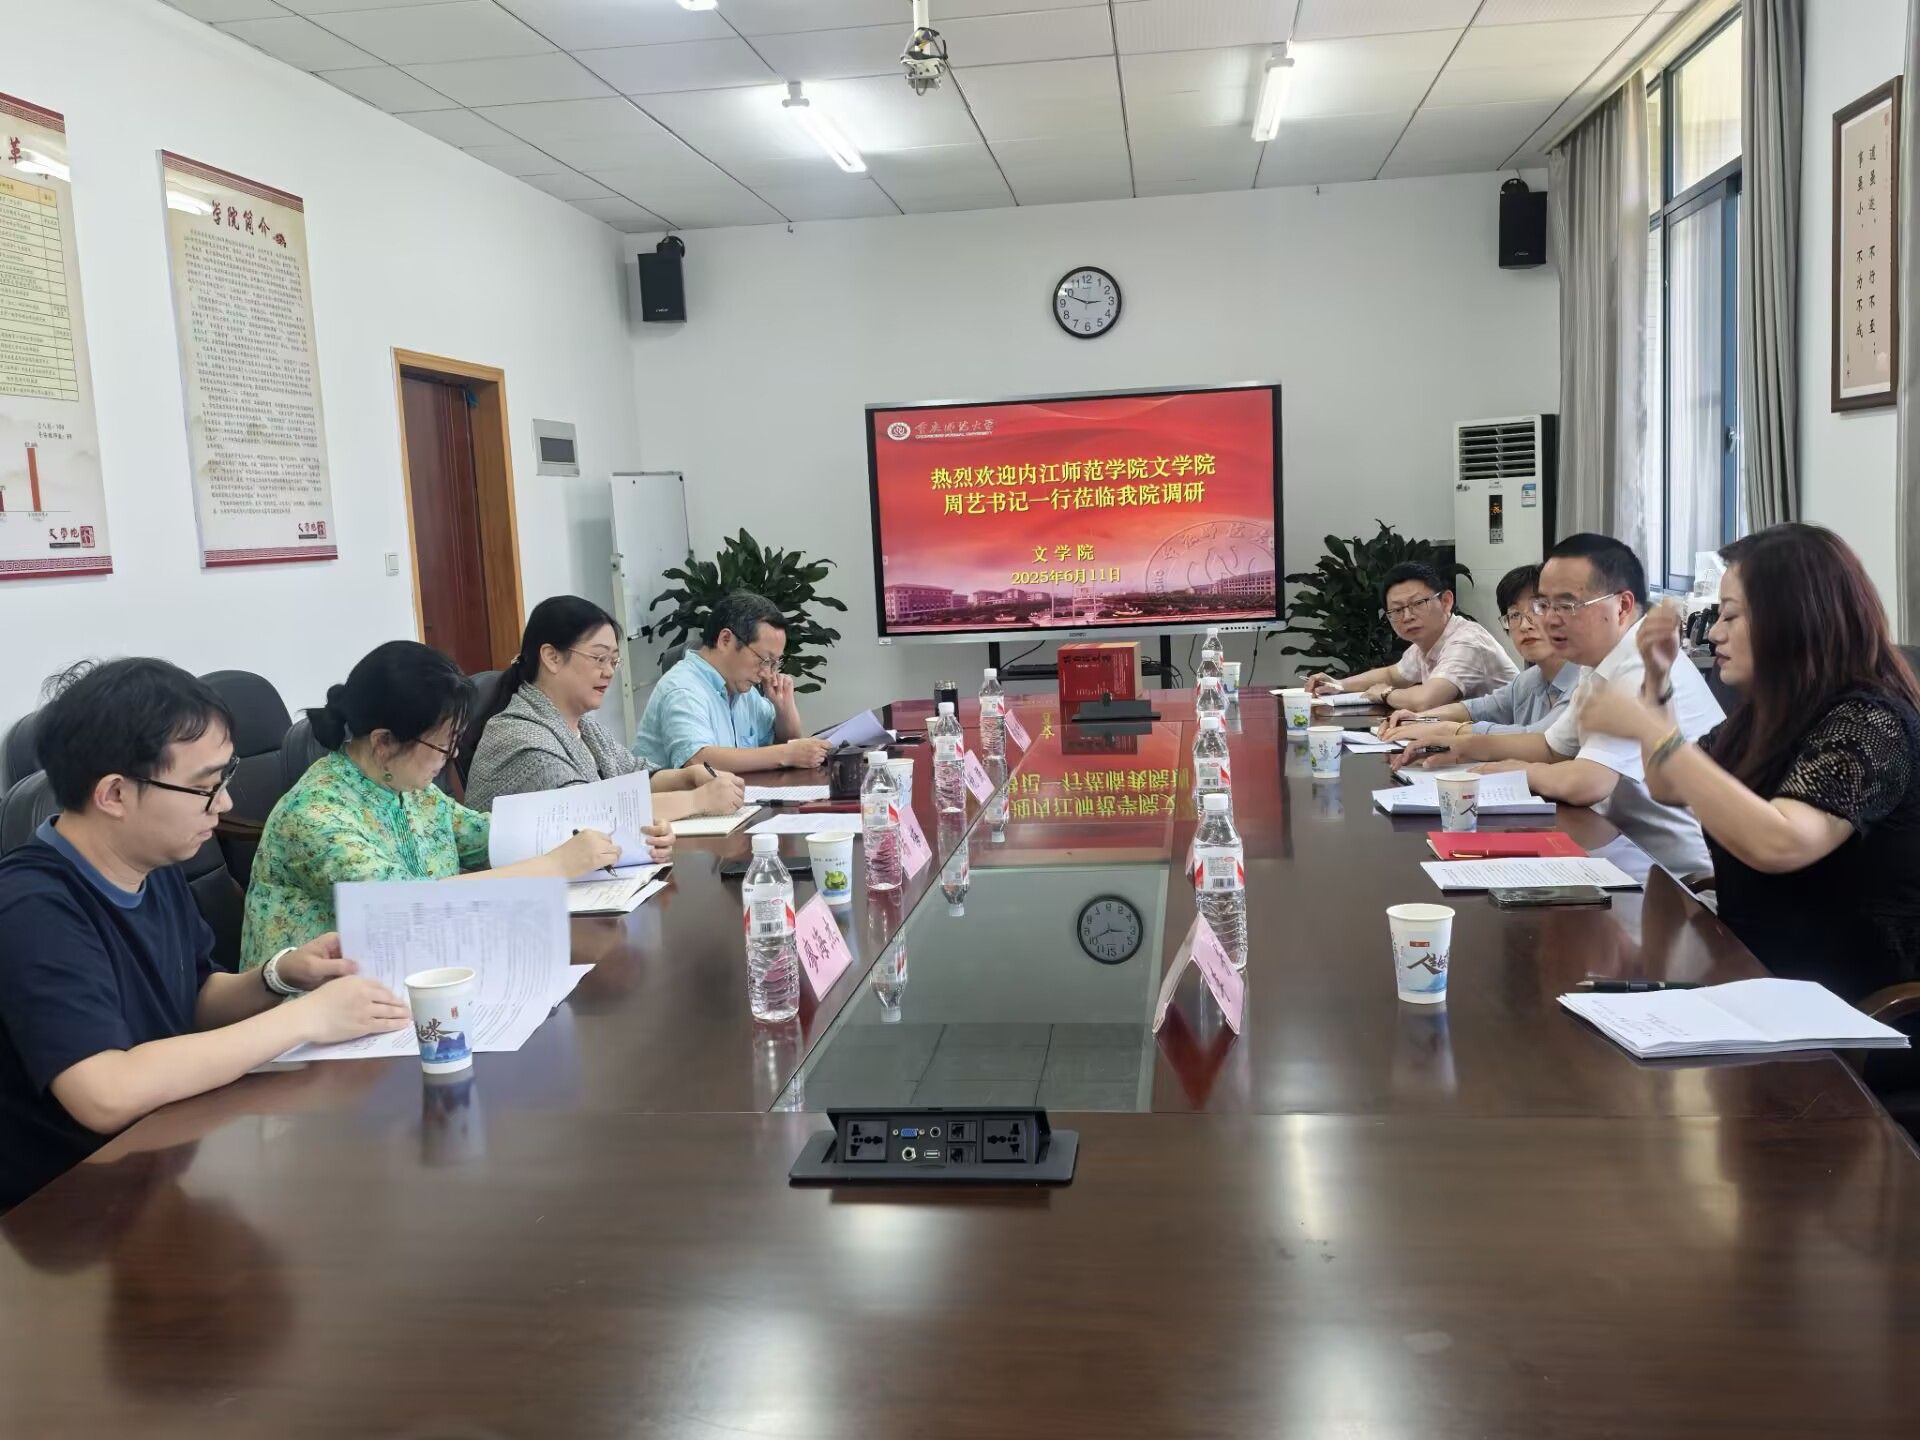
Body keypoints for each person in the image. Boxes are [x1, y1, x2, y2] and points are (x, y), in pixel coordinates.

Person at [0, 659, 411, 1212]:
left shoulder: (151, 863)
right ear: (115, 795)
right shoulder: (32, 907)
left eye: (224, 779)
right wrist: (307, 1018)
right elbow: (104, 1092)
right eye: (204, 787)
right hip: (67, 1211)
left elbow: (193, 999)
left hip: (162, 1166)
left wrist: (280, 976)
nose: (225, 803)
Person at [1579, 524, 1920, 1002]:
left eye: (1731, 616)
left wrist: (1650, 729)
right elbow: (1667, 784)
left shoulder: (1869, 721)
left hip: (1849, 1004)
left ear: (1795, 619)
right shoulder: (1762, 717)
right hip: (1754, 976)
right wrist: (1657, 679)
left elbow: (1781, 843)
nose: (1715, 632)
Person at [241, 641, 666, 971]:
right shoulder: (315, 816)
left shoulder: (405, 786)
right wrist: (556, 865)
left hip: (414, 978)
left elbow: (488, 836)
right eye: (442, 745)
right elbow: (411, 906)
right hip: (317, 1019)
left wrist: (622, 838)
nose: (450, 757)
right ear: (384, 742)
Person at [1394, 533, 1724, 877]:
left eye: (1567, 605)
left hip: (1679, 878)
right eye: (1544, 604)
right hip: (1624, 848)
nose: (1549, 619)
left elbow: (1586, 783)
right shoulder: (1597, 661)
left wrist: (1513, 771)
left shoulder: (1640, 664)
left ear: (1622, 606)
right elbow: (1552, 747)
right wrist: (1461, 746)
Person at [463, 595, 748, 817]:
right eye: (599, 658)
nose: (610, 672)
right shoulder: (518, 736)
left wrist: (687, 777)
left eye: (613, 661)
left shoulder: (585, 728)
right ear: (551, 657)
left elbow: (635, 776)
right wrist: (697, 800)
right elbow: (590, 813)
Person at [633, 591, 833, 774]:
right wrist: (786, 754)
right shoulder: (683, 688)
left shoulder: (742, 689)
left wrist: (784, 709)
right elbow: (698, 761)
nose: (766, 673)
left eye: (774, 663)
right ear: (725, 640)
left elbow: (783, 744)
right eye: (764, 659)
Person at [1379, 564, 1580, 742]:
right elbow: (1477, 709)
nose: (1524, 625)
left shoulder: (1586, 681)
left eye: (1539, 608)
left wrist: (1453, 730)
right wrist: (1420, 719)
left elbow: (1541, 739)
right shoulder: (1529, 680)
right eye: (1514, 615)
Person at [1305, 561, 1516, 709]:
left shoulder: (1466, 641)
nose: (1407, 616)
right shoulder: (1426, 643)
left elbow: (1427, 700)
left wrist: (1385, 693)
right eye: (1397, 610)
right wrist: (1338, 684)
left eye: (1418, 603)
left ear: (1446, 601)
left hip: (1511, 745)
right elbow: (1392, 675)